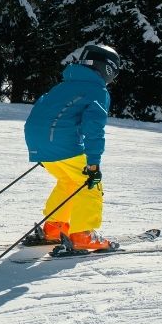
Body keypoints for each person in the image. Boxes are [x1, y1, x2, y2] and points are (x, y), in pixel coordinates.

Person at [24, 44, 121, 251]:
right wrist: (93, 164)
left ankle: (54, 227)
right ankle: (82, 234)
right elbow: (94, 129)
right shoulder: (96, 89)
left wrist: (42, 149)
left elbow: (42, 108)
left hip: (38, 143)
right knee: (89, 184)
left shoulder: (64, 85)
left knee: (69, 181)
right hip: (61, 143)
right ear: (108, 69)